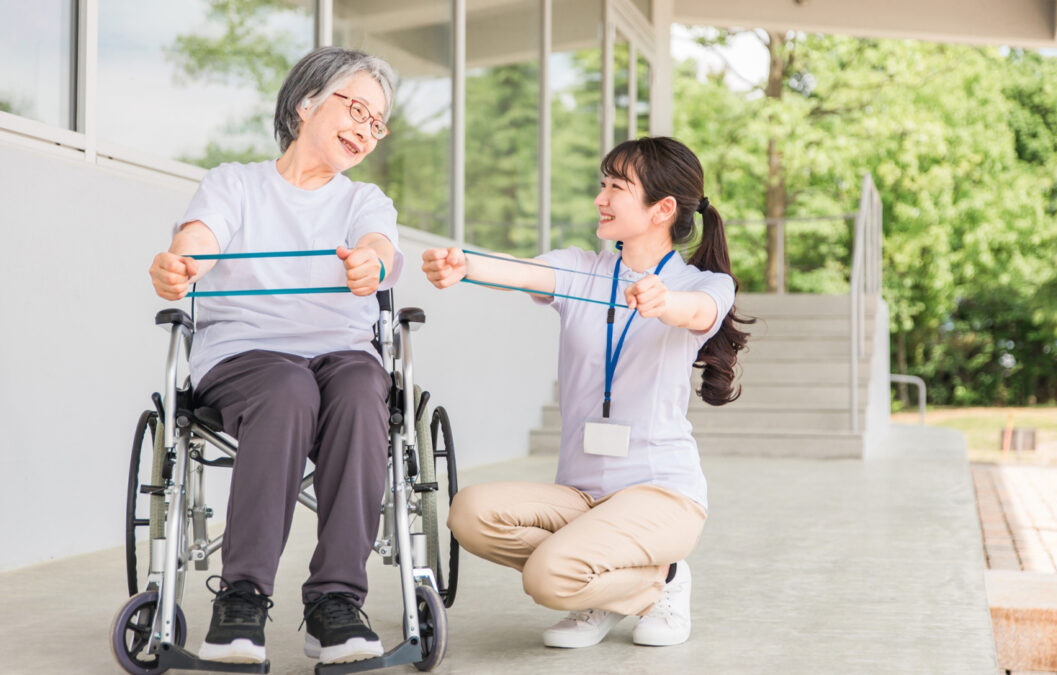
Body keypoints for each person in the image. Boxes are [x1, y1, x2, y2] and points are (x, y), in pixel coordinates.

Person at [422, 136, 752, 650]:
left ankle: (660, 580)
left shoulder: (703, 283)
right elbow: (518, 270)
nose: (601, 197)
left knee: (547, 578)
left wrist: (664, 302)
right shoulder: (582, 269)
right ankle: (604, 581)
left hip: (661, 493)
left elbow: (700, 314)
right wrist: (464, 264)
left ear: (663, 208)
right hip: (580, 495)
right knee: (469, 512)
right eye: (603, 184)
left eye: (617, 187)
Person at [148, 46, 402, 665]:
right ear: (305, 103)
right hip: (246, 356)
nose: (366, 129)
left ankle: (336, 603)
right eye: (356, 109)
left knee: (363, 390)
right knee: (289, 388)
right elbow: (201, 237)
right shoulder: (235, 183)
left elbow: (379, 247)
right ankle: (242, 596)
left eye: (378, 121)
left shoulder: (362, 200)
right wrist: (183, 265)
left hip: (341, 352)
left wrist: (372, 263)